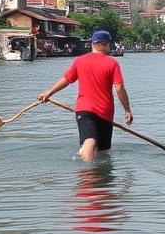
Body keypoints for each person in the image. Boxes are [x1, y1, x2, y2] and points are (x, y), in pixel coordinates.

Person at [38, 30, 133, 160]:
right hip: (104, 111)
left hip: (85, 110)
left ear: (92, 44)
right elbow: (119, 87)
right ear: (105, 44)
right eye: (109, 43)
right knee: (96, 146)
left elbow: (67, 79)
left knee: (99, 148)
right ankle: (87, 169)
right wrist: (127, 109)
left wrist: (49, 93)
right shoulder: (112, 63)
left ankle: (86, 162)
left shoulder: (80, 61)